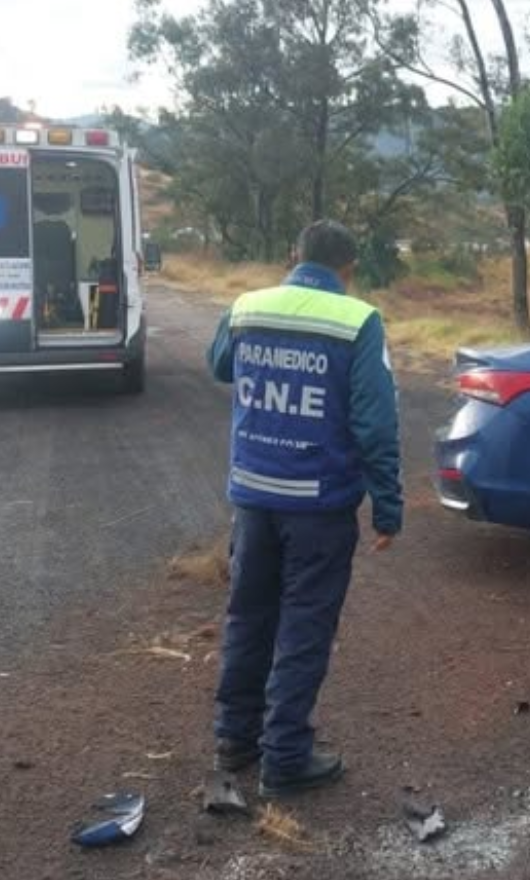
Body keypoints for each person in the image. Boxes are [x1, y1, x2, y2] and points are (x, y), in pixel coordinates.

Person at [207, 220, 402, 795]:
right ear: (350, 268)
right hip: (318, 505)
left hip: (253, 498)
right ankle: (286, 756)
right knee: (304, 625)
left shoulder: (247, 307)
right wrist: (388, 508)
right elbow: (375, 424)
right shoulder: (358, 321)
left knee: (248, 617)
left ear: (294, 255)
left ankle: (234, 738)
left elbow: (219, 364)